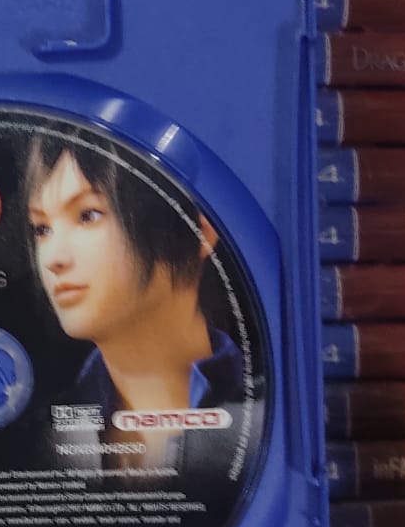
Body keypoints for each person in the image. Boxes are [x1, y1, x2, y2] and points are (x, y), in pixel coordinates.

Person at [23, 132, 244, 471]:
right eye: (42, 229)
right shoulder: (40, 440)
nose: (53, 258)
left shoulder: (262, 413)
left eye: (88, 215)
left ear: (197, 232)